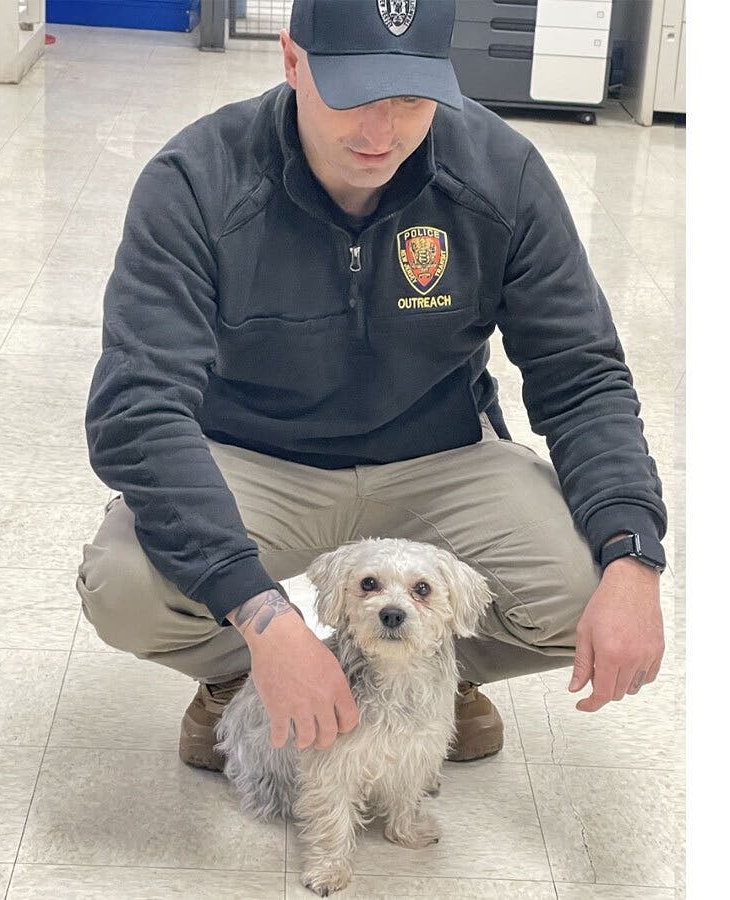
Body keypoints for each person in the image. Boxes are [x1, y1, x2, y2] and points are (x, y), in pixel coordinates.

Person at [76, 0, 667, 772]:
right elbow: (137, 408)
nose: (381, 133)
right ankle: (240, 679)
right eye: (353, 94)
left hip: (439, 454)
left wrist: (634, 556)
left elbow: (581, 375)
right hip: (257, 457)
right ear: (293, 62)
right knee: (123, 587)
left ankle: (422, 672)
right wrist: (265, 621)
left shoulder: (502, 175)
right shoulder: (196, 180)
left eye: (412, 100)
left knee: (588, 584)